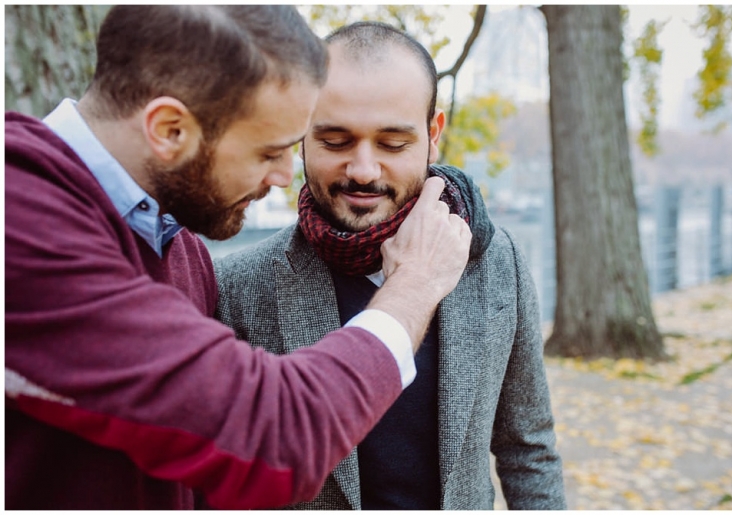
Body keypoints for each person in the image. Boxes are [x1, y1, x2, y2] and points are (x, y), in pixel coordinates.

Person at [5, 7, 472, 510]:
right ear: (169, 129)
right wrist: (415, 284)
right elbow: (273, 441)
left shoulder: (178, 247)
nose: (282, 176)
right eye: (268, 152)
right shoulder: (20, 223)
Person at [215, 21, 566, 510]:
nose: (363, 169)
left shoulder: (494, 259)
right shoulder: (235, 288)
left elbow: (527, 449)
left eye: (393, 144)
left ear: (433, 134)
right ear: (300, 135)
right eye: (335, 141)